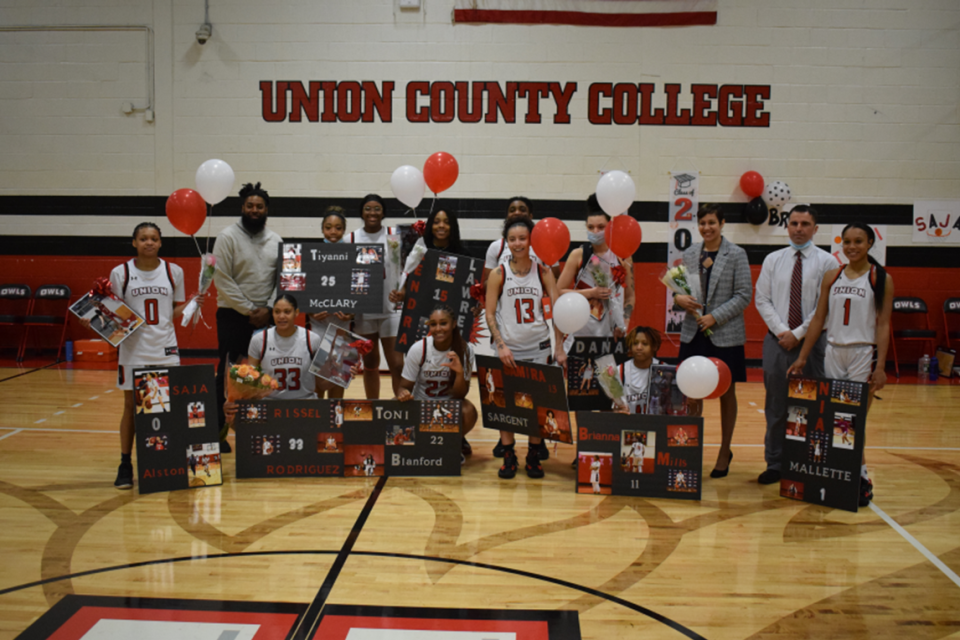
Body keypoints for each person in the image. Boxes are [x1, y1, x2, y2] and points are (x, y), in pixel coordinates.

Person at [80, 222, 191, 489]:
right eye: (143, 238)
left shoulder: (174, 271)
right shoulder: (120, 273)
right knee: (131, 407)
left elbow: (173, 312)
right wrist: (93, 320)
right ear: (134, 243)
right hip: (133, 350)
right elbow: (112, 312)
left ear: (161, 242)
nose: (149, 243)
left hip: (165, 348)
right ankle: (125, 463)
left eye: (154, 238)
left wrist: (190, 309)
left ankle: (165, 461)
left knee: (166, 407)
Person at [789, 223, 893, 507]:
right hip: (833, 352)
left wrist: (881, 365)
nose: (852, 247)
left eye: (858, 241)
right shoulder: (832, 276)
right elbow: (818, 320)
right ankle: (840, 476)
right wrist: (802, 357)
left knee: (852, 421)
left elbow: (883, 324)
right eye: (847, 241)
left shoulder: (879, 278)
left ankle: (861, 476)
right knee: (837, 420)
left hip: (863, 352)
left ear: (870, 242)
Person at [754, 205, 838, 485]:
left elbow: (823, 308)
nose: (798, 228)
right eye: (794, 223)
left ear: (815, 229)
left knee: (811, 406)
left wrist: (799, 334)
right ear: (787, 227)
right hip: (776, 342)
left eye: (805, 224)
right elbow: (762, 300)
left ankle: (807, 462)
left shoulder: (828, 263)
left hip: (812, 344)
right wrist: (782, 331)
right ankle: (775, 463)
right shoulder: (772, 260)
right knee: (776, 407)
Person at [485, 217, 567, 479]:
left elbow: (557, 311)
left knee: (536, 406)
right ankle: (509, 455)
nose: (517, 243)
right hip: (509, 350)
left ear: (532, 240)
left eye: (522, 238)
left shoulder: (543, 272)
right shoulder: (499, 273)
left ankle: (534, 454)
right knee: (506, 405)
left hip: (539, 348)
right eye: (512, 239)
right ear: (506, 242)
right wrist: (500, 345)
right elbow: (488, 314)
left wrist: (559, 346)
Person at [673, 204, 751, 479]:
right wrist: (677, 298)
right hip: (693, 333)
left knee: (726, 393)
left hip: (725, 335)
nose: (707, 228)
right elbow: (680, 291)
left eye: (712, 223)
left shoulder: (736, 254)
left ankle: (724, 450)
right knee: (691, 392)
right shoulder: (691, 252)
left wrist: (714, 317)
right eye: (702, 223)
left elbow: (744, 295)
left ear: (722, 223)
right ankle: (690, 449)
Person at [213, 182, 283, 451]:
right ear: (242, 208)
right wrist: (248, 310)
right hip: (233, 315)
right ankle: (218, 432)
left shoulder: (276, 240)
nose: (255, 210)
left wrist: (268, 309)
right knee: (229, 375)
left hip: (266, 317)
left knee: (260, 376)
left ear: (267, 210)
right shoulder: (227, 237)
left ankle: (256, 430)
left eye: (260, 206)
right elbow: (222, 279)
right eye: (250, 206)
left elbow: (281, 279)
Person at [395, 305, 478, 461]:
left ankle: (454, 441)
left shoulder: (465, 350)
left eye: (443, 323)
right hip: (421, 404)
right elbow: (403, 386)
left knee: (468, 411)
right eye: (433, 324)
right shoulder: (418, 349)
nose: (438, 328)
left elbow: (461, 394)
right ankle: (418, 443)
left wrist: (459, 373)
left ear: (453, 324)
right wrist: (403, 394)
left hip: (448, 407)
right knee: (393, 406)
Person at [222, 294, 323, 421]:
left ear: (296, 312)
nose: (281, 316)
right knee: (234, 418)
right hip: (270, 408)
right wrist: (231, 400)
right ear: (272, 314)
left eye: (287, 312)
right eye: (277, 312)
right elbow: (250, 382)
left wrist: (343, 373)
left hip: (305, 406)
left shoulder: (312, 339)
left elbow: (323, 383)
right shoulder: (259, 340)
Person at [344, 194, 404, 399]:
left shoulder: (395, 235)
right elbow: (343, 275)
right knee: (370, 363)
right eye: (368, 208)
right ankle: (373, 408)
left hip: (391, 308)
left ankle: (400, 408)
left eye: (377, 208)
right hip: (363, 310)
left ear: (383, 212)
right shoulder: (350, 239)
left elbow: (408, 266)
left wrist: (405, 290)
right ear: (362, 212)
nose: (372, 212)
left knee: (397, 364)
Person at [557, 194, 636, 343]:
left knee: (607, 367)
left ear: (609, 227)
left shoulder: (623, 255)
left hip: (612, 333)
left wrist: (624, 322)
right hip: (580, 331)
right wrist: (591, 293)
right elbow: (559, 291)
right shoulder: (578, 255)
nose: (595, 231)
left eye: (601, 227)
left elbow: (630, 296)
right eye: (590, 227)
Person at [309, 206, 353, 399]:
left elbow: (360, 289)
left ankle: (336, 422)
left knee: (338, 379)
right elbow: (304, 288)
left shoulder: (353, 256)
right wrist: (309, 311)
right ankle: (319, 420)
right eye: (328, 227)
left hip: (342, 327)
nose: (333, 232)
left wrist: (353, 311)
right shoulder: (311, 255)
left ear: (344, 230)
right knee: (318, 380)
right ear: (322, 230)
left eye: (338, 228)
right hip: (318, 327)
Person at [613, 326, 662, 414]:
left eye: (645, 344)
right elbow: (615, 408)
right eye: (635, 343)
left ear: (654, 347)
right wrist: (619, 410)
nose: (639, 347)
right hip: (628, 424)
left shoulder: (664, 370)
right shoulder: (619, 370)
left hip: (656, 425)